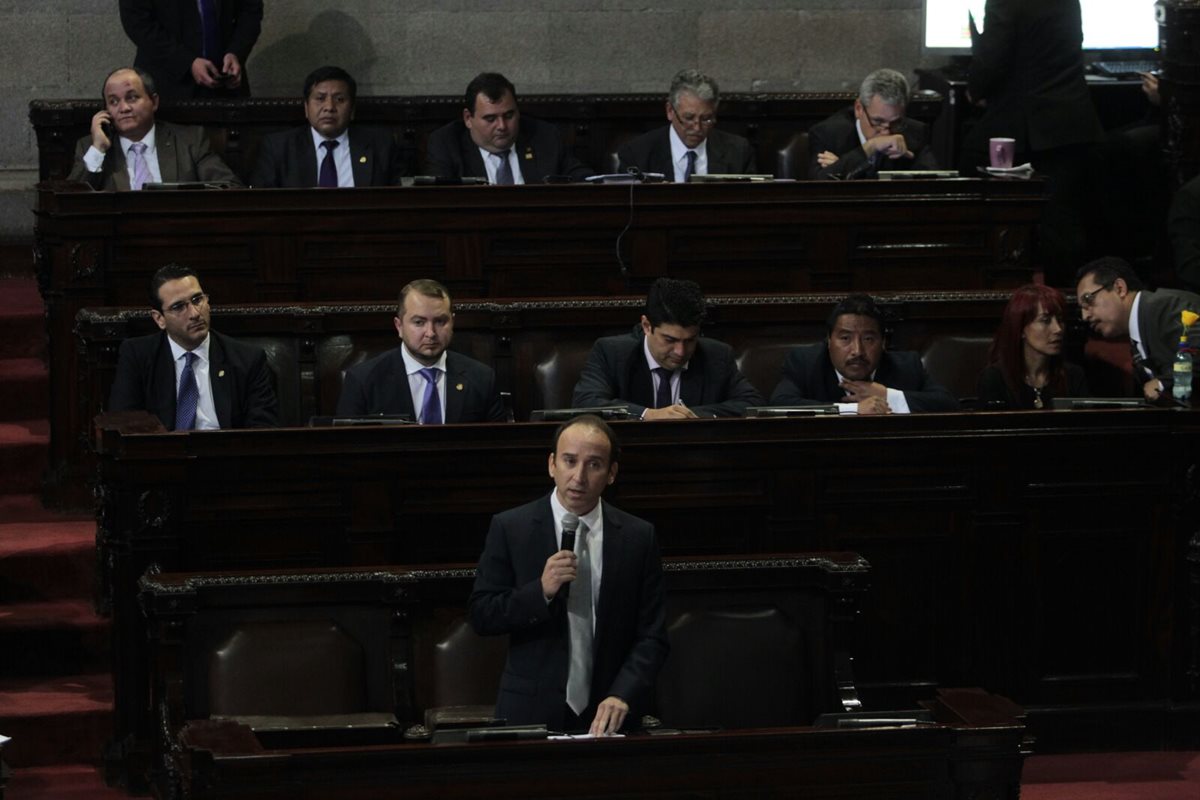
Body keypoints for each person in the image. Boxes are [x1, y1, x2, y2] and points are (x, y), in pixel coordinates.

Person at [469, 414, 668, 734]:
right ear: (551, 464)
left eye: (593, 464)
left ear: (612, 473)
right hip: (531, 712)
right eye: (569, 461)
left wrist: (622, 694)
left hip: (610, 715)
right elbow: (483, 615)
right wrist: (541, 591)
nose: (578, 477)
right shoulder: (511, 527)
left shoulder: (637, 537)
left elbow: (652, 636)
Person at [962, 0, 1103, 283]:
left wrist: (974, 89)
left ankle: (984, 288)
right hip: (1070, 121)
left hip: (1026, 124)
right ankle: (1067, 305)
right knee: (1063, 225)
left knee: (972, 181)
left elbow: (993, 58)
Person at [108, 264, 277, 429]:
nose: (195, 313)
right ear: (159, 319)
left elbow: (261, 434)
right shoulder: (137, 356)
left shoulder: (248, 360)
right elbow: (124, 426)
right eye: (179, 307)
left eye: (197, 300)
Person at [572, 278, 763, 418]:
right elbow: (586, 403)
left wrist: (691, 415)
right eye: (669, 340)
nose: (680, 352)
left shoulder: (717, 356)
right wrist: (648, 414)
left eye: (690, 340)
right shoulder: (611, 353)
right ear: (647, 326)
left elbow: (752, 404)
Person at [335, 278, 506, 422]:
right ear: (399, 326)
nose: (430, 333)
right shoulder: (363, 380)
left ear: (452, 323)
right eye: (419, 322)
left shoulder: (482, 379)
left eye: (440, 321)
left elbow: (498, 447)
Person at [770, 294, 958, 414]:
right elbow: (778, 405)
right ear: (828, 341)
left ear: (884, 343)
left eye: (868, 339)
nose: (857, 351)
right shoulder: (805, 363)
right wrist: (853, 409)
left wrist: (887, 396)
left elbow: (948, 405)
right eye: (845, 338)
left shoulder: (907, 366)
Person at [67, 67, 241, 191]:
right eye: (113, 102)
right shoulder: (92, 147)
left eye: (132, 97)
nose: (124, 108)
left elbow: (230, 188)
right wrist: (98, 150)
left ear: (154, 102)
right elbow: (69, 203)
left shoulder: (190, 140)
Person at [251, 66, 405, 188]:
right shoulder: (279, 147)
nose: (329, 107)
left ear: (352, 110)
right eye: (320, 98)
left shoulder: (381, 145)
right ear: (306, 107)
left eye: (339, 99)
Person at [424, 72, 593, 183]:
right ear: (468, 119)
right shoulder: (446, 143)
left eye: (509, 115)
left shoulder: (544, 136)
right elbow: (438, 200)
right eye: (490, 118)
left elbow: (580, 177)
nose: (502, 126)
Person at [1076, 256, 1200, 402]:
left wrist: (1161, 383)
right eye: (1081, 308)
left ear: (1119, 288)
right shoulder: (1140, 326)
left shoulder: (1166, 306)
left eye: (1089, 299)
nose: (1084, 316)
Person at [617, 69, 757, 181]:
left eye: (706, 119)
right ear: (670, 111)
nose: (697, 128)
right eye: (689, 118)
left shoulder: (738, 152)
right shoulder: (637, 154)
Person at [119, 0, 263, 104]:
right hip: (168, 86)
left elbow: (251, 10)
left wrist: (236, 52)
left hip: (226, 84)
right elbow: (137, 22)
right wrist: (187, 62)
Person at [808, 68, 939, 180]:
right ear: (859, 109)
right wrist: (871, 146)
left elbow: (934, 186)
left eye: (896, 122)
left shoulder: (915, 132)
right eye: (878, 121)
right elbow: (816, 186)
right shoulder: (828, 133)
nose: (886, 132)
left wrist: (843, 168)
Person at [977, 284, 1089, 409]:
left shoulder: (1073, 375)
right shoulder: (995, 378)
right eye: (1045, 320)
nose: (1058, 329)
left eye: (1060, 320)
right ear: (1021, 329)